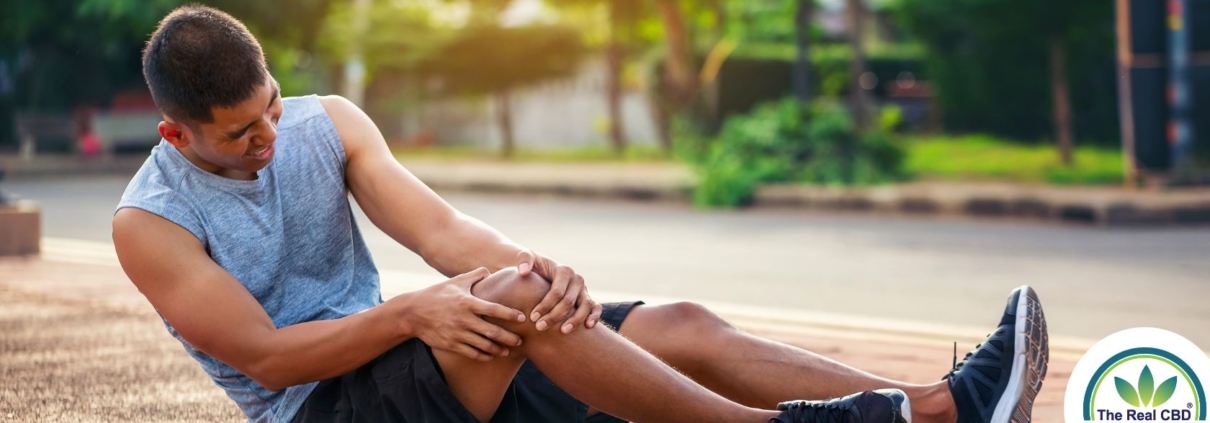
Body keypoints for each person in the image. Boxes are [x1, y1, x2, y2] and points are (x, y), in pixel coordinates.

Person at [112, 6, 1049, 423]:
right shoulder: (147, 222)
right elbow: (269, 358)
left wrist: (540, 267)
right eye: (240, 134)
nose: (269, 136)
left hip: (424, 363)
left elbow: (443, 237)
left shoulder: (331, 125)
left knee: (675, 321)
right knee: (509, 301)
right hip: (323, 405)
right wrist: (408, 312)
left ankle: (938, 408)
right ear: (176, 131)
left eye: (272, 105)